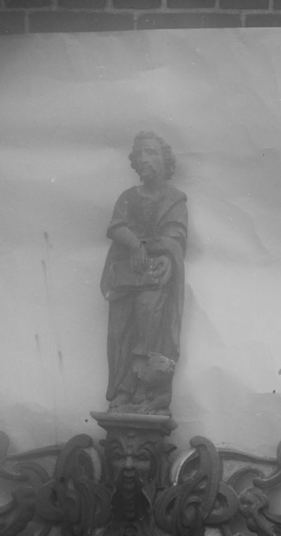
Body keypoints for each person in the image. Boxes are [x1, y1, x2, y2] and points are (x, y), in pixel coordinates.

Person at [100, 132, 187, 413]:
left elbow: (176, 238)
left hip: (153, 278)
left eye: (151, 152)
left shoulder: (174, 199)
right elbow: (116, 227)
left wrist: (169, 260)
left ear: (165, 160)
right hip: (127, 276)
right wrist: (135, 244)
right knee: (120, 331)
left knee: (149, 319)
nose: (144, 158)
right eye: (140, 153)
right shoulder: (128, 197)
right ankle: (122, 389)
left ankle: (142, 387)